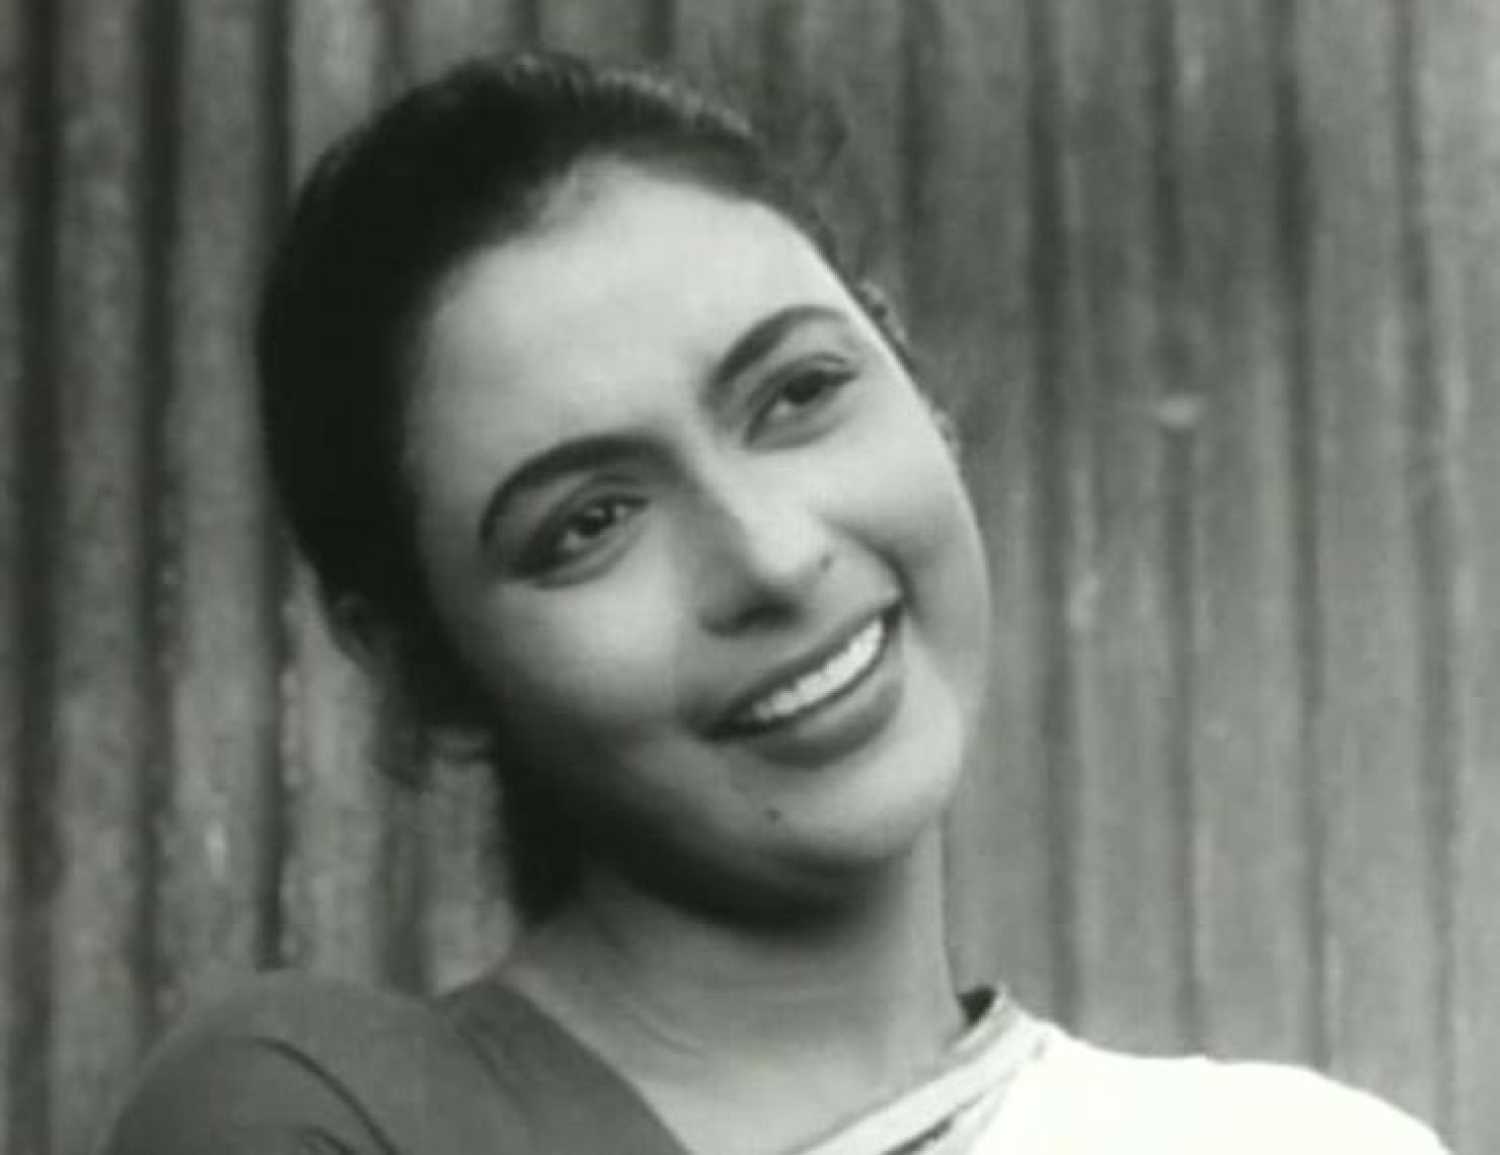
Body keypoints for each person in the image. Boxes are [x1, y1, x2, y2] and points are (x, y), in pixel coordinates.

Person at [99, 52, 1449, 1155]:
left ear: (916, 382)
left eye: (799, 393)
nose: (771, 558)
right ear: (421, 670)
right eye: (589, 524)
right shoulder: (330, 1117)